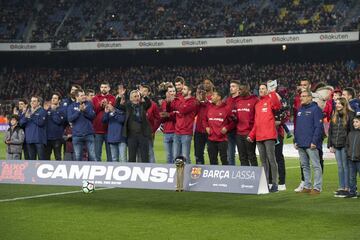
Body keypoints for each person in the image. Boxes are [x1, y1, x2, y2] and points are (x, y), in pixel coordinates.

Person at [248, 83, 281, 192]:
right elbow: (256, 123)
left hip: (269, 135)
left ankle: (275, 184)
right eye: (260, 89)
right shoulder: (257, 104)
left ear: (267, 90)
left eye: (263, 89)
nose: (261, 90)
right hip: (259, 137)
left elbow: (277, 106)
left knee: (271, 159)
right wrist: (251, 135)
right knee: (263, 161)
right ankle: (265, 184)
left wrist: (272, 92)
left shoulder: (270, 100)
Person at [294, 90, 324, 194]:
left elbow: (318, 127)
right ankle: (307, 186)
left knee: (316, 165)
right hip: (301, 143)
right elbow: (297, 127)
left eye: (304, 96)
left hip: (311, 143)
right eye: (301, 96)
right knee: (304, 166)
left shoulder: (316, 109)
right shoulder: (299, 110)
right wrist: (296, 140)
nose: (301, 98)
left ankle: (317, 187)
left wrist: (314, 141)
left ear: (310, 98)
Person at [328, 97, 355, 197]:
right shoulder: (334, 115)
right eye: (336, 103)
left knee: (345, 166)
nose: (337, 105)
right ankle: (341, 187)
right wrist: (330, 144)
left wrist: (350, 145)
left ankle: (347, 187)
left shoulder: (350, 115)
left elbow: (352, 132)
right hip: (336, 144)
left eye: (339, 103)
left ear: (344, 104)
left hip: (345, 145)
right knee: (340, 167)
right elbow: (330, 131)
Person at [118, 89, 152, 163]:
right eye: (135, 96)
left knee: (145, 157)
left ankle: (145, 172)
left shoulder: (143, 105)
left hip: (143, 135)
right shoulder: (127, 106)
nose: (137, 98)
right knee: (131, 157)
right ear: (131, 98)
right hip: (131, 136)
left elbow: (149, 103)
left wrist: (144, 95)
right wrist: (120, 96)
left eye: (138, 96)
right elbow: (117, 106)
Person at [203, 90, 235, 165]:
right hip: (211, 139)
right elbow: (204, 120)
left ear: (219, 97)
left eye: (213, 95)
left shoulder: (226, 108)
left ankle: (226, 176)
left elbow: (233, 122)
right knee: (212, 160)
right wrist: (206, 127)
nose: (211, 97)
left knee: (224, 160)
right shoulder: (209, 108)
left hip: (222, 139)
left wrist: (227, 128)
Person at [67, 89, 96, 161]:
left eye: (84, 95)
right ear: (76, 97)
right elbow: (70, 119)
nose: (84, 97)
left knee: (92, 156)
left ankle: (95, 171)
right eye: (82, 95)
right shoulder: (71, 106)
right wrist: (79, 111)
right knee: (77, 157)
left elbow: (92, 116)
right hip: (77, 135)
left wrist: (85, 110)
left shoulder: (89, 104)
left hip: (89, 133)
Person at [234, 82, 258, 166]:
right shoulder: (237, 100)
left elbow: (257, 118)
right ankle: (246, 177)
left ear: (247, 89)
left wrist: (253, 133)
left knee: (251, 155)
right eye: (239, 89)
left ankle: (255, 176)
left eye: (241, 89)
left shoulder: (255, 100)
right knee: (242, 157)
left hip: (249, 133)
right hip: (239, 133)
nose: (239, 91)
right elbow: (236, 115)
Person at [172, 85, 197, 164]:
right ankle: (176, 174)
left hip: (186, 132)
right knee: (175, 155)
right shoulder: (180, 100)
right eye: (182, 89)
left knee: (185, 156)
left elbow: (183, 110)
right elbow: (172, 107)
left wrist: (178, 103)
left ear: (189, 91)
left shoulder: (193, 101)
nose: (182, 90)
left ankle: (186, 174)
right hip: (177, 131)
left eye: (184, 89)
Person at [92, 82, 115, 162]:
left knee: (110, 155)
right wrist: (100, 105)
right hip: (97, 130)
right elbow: (93, 111)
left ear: (109, 88)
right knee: (97, 154)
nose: (103, 89)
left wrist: (106, 105)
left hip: (109, 130)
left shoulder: (112, 98)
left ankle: (110, 171)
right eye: (102, 87)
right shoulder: (95, 98)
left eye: (105, 87)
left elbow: (113, 111)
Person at [19, 96, 47, 160]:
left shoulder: (42, 111)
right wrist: (26, 117)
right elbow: (21, 123)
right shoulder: (27, 111)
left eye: (34, 101)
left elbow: (41, 123)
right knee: (31, 161)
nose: (32, 102)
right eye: (31, 101)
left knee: (41, 160)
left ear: (39, 103)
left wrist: (31, 115)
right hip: (29, 140)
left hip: (39, 140)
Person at [194, 79, 213, 165]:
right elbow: (194, 112)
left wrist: (205, 101)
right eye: (204, 83)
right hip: (199, 129)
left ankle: (213, 172)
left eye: (208, 83)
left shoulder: (215, 96)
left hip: (210, 129)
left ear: (212, 85)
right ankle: (199, 173)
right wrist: (197, 101)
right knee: (198, 153)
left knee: (212, 153)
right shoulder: (198, 97)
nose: (206, 85)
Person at [141, 85, 160, 163]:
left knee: (150, 151)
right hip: (138, 132)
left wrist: (153, 130)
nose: (143, 92)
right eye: (142, 90)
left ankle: (152, 168)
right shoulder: (136, 103)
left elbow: (158, 119)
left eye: (145, 91)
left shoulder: (153, 105)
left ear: (149, 93)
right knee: (139, 152)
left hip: (149, 132)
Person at [44, 92, 66, 160]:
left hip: (57, 138)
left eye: (55, 98)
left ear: (59, 100)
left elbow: (58, 121)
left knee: (58, 157)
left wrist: (53, 111)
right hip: (47, 138)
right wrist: (45, 111)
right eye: (52, 98)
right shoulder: (47, 109)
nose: (53, 99)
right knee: (46, 157)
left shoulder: (62, 110)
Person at [159, 83, 176, 163]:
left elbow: (177, 116)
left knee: (176, 155)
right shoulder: (163, 103)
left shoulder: (177, 102)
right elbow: (162, 118)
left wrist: (168, 115)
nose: (171, 93)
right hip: (166, 132)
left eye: (173, 91)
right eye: (170, 91)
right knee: (169, 155)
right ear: (166, 93)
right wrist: (168, 115)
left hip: (176, 132)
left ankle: (178, 173)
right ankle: (170, 172)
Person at [225, 80, 241, 165]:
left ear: (238, 89)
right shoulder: (228, 100)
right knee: (230, 155)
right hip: (230, 131)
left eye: (233, 86)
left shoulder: (241, 99)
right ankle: (231, 174)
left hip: (240, 130)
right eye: (230, 86)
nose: (231, 88)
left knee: (243, 154)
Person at [345, 115, 360, 198]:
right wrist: (348, 153)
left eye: (357, 122)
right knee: (352, 177)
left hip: (359, 159)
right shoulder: (351, 133)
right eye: (354, 122)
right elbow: (347, 145)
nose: (354, 123)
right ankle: (352, 192)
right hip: (351, 159)